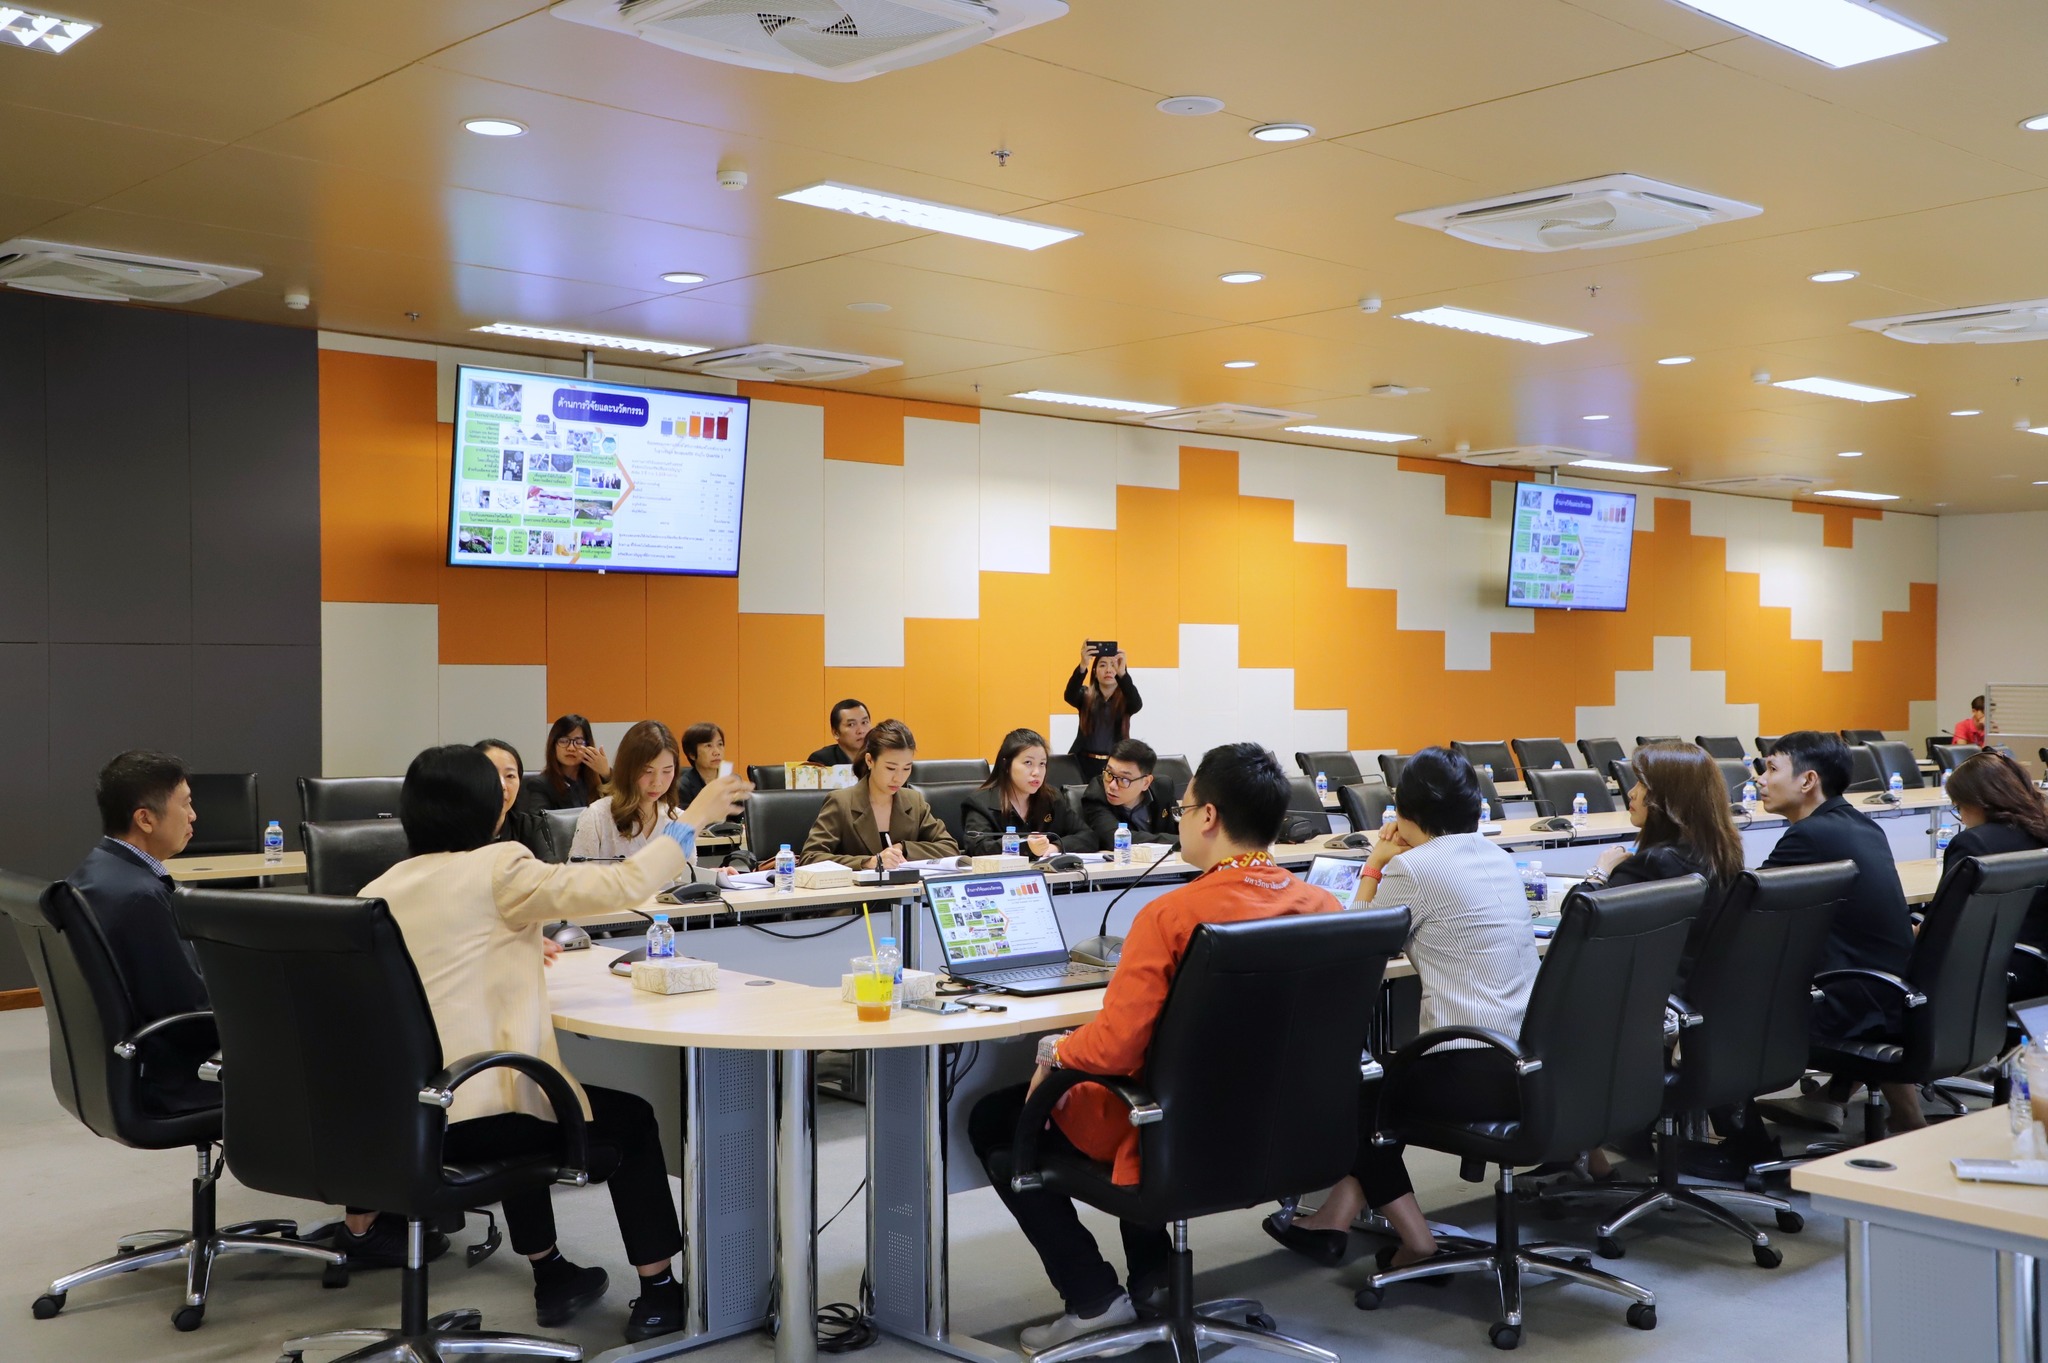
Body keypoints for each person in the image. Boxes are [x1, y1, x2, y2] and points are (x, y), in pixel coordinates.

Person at [362, 745, 748, 1341]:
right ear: (487, 809)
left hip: (402, 1120)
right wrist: (693, 817)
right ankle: (660, 1293)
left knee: (523, 1089)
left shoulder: (381, 886)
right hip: (474, 1116)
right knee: (620, 1119)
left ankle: (552, 1274)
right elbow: (624, 883)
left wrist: (515, 938)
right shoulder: (500, 866)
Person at [969, 742, 1338, 1352]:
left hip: (1178, 1134)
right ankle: (1156, 1281)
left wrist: (1056, 1053)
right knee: (1151, 1090)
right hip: (1280, 1134)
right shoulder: (1323, 906)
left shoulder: (1170, 916)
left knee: (996, 1116)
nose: (1178, 819)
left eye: (1184, 808)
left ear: (1209, 817)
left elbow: (1114, 1049)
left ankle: (1093, 1297)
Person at [1264, 747, 1537, 1276]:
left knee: (1355, 1091)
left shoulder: (1415, 867)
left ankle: (1416, 1239)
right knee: (1381, 1084)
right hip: (1525, 1059)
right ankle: (1337, 1215)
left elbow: (1355, 941)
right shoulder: (1497, 856)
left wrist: (1375, 864)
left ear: (1402, 810)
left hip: (1471, 1070)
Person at [1756, 730, 1922, 1131]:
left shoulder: (1809, 835)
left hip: (1851, 1007)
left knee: (1721, 997)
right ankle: (1849, 1102)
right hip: (1895, 995)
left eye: (1772, 768)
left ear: (1808, 780)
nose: (1760, 779)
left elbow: (1744, 907)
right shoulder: (1861, 825)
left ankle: (1739, 1137)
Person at [69, 752, 210, 1115]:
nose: (193, 815)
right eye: (185, 804)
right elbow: (189, 1013)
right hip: (175, 1080)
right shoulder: (140, 897)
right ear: (145, 819)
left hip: (124, 1068)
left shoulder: (97, 870)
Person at [1583, 741, 1744, 978]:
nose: (1631, 793)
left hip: (1653, 988)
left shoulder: (1653, 863)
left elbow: (1580, 919)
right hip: (1704, 985)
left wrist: (1599, 872)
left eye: (1641, 784)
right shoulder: (1724, 853)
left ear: (1668, 796)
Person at [800, 720, 958, 869]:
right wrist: (868, 862)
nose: (899, 778)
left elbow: (949, 848)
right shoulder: (841, 802)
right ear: (870, 760)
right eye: (890, 768)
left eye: (906, 768)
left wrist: (903, 848)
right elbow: (810, 857)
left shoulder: (914, 801)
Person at [1940, 750, 2048, 945]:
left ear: (1977, 802)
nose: (1962, 819)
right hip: (2035, 955)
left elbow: (1945, 922)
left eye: (1959, 807)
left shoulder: (1972, 843)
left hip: (1984, 957)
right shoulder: (2041, 830)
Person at [962, 728, 1090, 857]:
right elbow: (976, 848)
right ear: (1006, 765)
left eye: (1042, 764)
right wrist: (1025, 846)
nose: (1036, 772)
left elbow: (1087, 836)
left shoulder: (1052, 799)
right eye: (1028, 763)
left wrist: (1056, 847)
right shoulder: (981, 803)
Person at [570, 721, 687, 861]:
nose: (657, 782)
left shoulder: (678, 820)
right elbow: (578, 872)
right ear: (627, 769)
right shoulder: (597, 817)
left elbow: (689, 872)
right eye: (647, 771)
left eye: (667, 771)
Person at [1079, 739, 1181, 851]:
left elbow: (1183, 828)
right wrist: (1180, 840)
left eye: (1124, 779)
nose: (1112, 785)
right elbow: (1116, 839)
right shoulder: (1095, 795)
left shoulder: (1163, 788)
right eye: (1109, 774)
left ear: (1146, 783)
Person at [1064, 644, 1142, 784]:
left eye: (1113, 665)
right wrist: (1083, 665)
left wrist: (1123, 674)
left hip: (1115, 763)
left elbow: (1137, 703)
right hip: (1082, 763)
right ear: (1095, 671)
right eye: (1102, 665)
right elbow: (1069, 695)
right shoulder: (1085, 695)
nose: (1108, 670)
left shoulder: (1126, 700)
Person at [478, 738, 554, 859]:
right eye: (491, 774)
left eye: (510, 776)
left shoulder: (528, 827)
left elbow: (548, 868)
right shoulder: (453, 829)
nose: (502, 785)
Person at [524, 714, 610, 812]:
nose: (571, 748)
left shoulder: (597, 780)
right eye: (564, 741)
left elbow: (620, 809)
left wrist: (607, 774)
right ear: (553, 745)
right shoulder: (541, 785)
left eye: (578, 742)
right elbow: (539, 820)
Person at [805, 699, 871, 769]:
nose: (861, 731)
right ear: (836, 733)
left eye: (864, 722)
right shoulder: (821, 761)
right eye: (851, 724)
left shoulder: (877, 756)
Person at [673, 722, 726, 808]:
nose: (717, 752)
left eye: (720, 744)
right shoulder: (683, 787)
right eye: (708, 746)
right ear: (692, 755)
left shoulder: (730, 780)